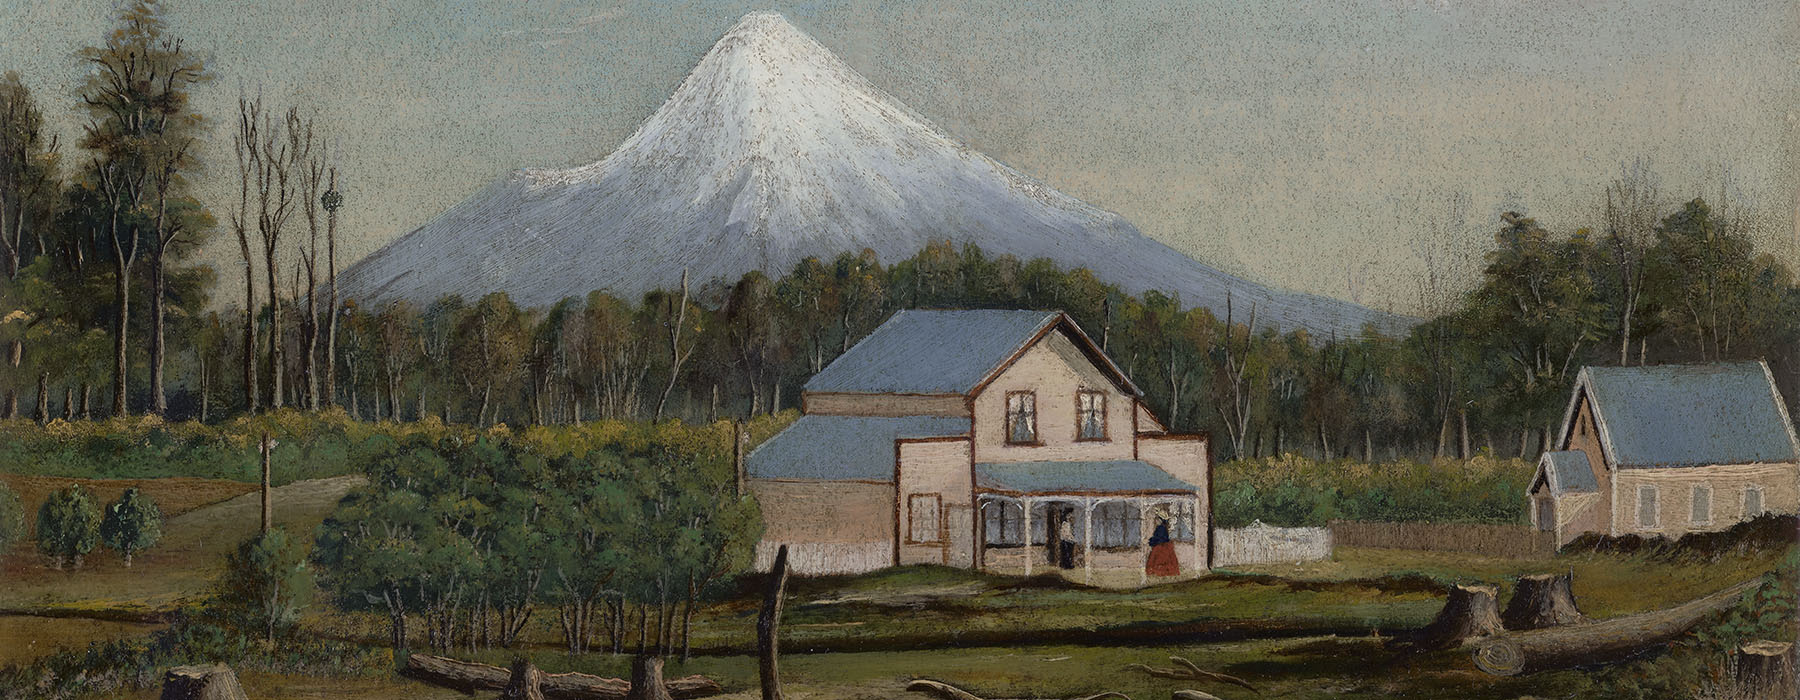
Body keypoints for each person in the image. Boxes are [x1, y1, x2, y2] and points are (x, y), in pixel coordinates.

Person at [1146, 510, 1180, 577]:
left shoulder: (1161, 528)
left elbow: (1160, 538)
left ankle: (1160, 573)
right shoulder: (1161, 528)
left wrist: (1152, 541)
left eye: (1157, 519)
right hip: (1162, 546)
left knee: (1160, 560)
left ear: (1160, 520)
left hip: (1161, 547)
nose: (1156, 521)